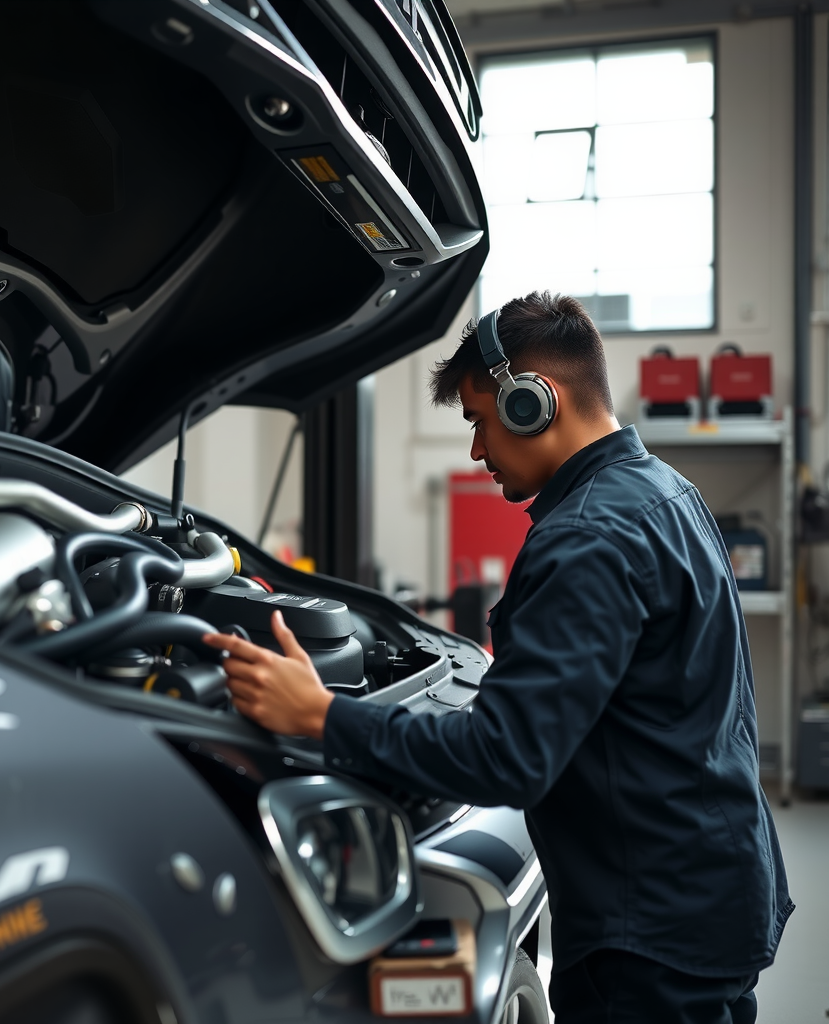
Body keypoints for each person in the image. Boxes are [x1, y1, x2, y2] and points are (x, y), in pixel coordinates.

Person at [203, 291, 792, 1024]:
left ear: (532, 404)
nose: (477, 449)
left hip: (652, 935)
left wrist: (323, 716)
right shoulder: (666, 493)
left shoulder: (588, 538)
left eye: (482, 421)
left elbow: (507, 759)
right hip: (716, 891)